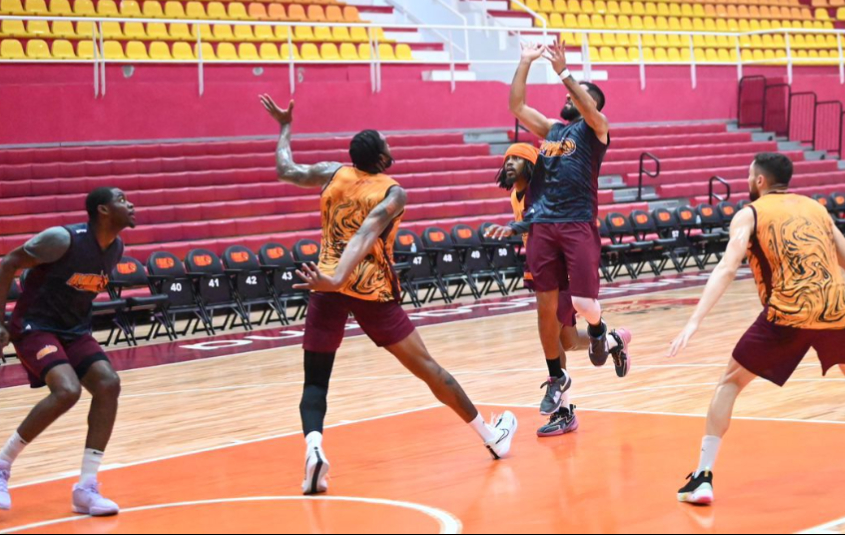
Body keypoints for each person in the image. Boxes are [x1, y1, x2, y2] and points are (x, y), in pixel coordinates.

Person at [258, 95, 517, 495]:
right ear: (380, 159)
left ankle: (314, 451)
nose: (392, 148)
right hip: (368, 289)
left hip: (326, 284)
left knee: (315, 382)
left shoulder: (332, 173)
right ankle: (491, 436)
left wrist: (285, 127)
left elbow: (285, 169)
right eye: (388, 145)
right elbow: (366, 234)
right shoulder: (393, 192)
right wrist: (341, 277)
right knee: (430, 369)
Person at [668, 153, 845, 505]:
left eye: (750, 176)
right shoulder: (816, 209)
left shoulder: (749, 213)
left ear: (760, 181)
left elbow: (726, 266)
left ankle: (703, 478)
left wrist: (694, 321)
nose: (749, 181)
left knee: (730, 382)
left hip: (788, 313)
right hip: (836, 309)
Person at [485, 41, 631, 412]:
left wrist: (565, 73)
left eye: (580, 97)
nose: (568, 99)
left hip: (577, 223)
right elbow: (516, 106)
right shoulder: (551, 131)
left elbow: (586, 106)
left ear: (590, 105)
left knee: (583, 302)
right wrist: (524, 62)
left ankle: (601, 333)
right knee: (546, 314)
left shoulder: (596, 130)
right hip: (543, 227)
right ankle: (557, 379)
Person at [0, 188, 136, 517]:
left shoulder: (115, 248)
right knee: (67, 390)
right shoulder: (62, 239)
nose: (130, 203)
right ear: (103, 210)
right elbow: (9, 263)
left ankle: (86, 489)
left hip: (74, 330)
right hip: (35, 326)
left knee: (108, 384)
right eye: (122, 199)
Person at [495, 141, 585, 437]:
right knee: (567, 340)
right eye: (507, 158)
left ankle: (564, 410)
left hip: (558, 267)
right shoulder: (515, 196)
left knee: (548, 334)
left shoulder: (543, 193)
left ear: (531, 165)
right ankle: (608, 339)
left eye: (517, 158)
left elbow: (538, 221)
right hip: (538, 264)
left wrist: (515, 227)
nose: (509, 163)